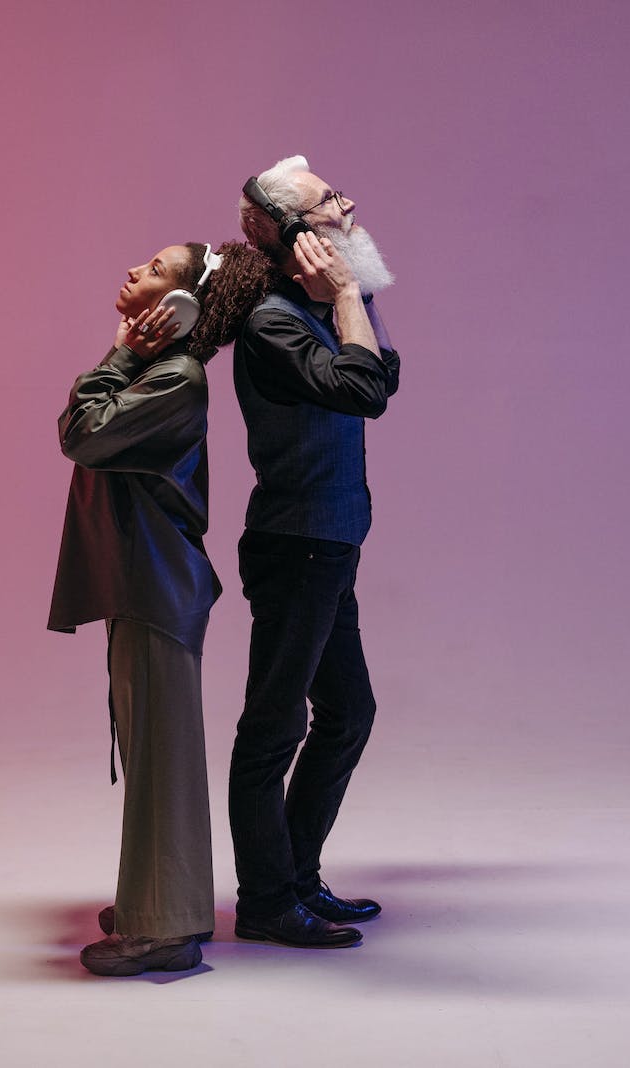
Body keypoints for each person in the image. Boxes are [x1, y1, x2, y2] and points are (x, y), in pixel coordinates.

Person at [48, 239, 273, 976]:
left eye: (152, 269)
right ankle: (165, 900)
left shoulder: (176, 377)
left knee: (160, 765)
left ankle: (164, 928)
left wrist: (114, 357)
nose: (131, 271)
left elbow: (82, 436)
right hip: (145, 584)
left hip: (157, 588)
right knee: (155, 754)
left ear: (178, 305)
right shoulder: (161, 370)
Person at [227, 155, 402, 949]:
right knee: (273, 730)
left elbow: (382, 373)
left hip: (329, 543)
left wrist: (350, 293)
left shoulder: (318, 309)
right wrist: (342, 298)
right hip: (296, 547)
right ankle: (268, 901)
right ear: (292, 234)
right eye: (330, 201)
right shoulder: (271, 321)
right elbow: (362, 390)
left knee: (348, 714)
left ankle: (296, 879)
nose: (350, 201)